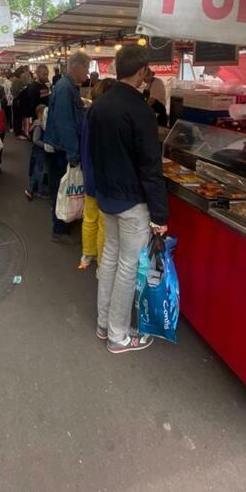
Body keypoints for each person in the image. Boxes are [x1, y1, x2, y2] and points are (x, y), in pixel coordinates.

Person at [88, 45, 168, 354]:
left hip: (107, 196)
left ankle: (104, 324)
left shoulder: (99, 105)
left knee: (110, 258)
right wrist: (160, 215)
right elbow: (150, 166)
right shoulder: (140, 109)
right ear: (141, 71)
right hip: (132, 201)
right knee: (127, 265)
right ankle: (119, 335)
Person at [44, 51, 90, 243]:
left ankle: (63, 223)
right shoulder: (66, 88)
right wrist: (73, 154)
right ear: (76, 66)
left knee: (62, 187)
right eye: (86, 68)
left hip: (60, 146)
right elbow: (65, 124)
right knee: (62, 188)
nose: (87, 73)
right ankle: (60, 229)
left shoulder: (67, 86)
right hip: (61, 149)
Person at [79, 78, 116, 269]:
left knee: (89, 216)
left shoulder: (89, 112)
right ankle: (102, 262)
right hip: (102, 175)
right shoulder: (107, 115)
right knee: (104, 222)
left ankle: (88, 253)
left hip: (88, 170)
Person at [25, 104, 49, 200]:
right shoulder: (39, 125)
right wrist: (45, 145)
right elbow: (35, 140)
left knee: (37, 169)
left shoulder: (39, 124)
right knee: (39, 170)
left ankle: (31, 189)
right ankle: (39, 190)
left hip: (38, 150)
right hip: (39, 151)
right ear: (39, 114)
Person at [11, 67, 30, 140]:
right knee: (18, 118)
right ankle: (18, 134)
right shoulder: (18, 81)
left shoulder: (14, 80)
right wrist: (24, 89)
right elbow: (18, 92)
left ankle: (17, 131)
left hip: (15, 101)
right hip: (18, 101)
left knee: (16, 117)